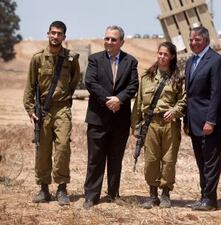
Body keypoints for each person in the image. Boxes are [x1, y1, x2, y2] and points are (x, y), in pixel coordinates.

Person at [23, 21, 80, 206]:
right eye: (53, 33)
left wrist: (65, 99)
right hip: (43, 111)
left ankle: (62, 188)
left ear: (64, 37)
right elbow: (30, 87)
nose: (56, 36)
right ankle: (44, 189)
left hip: (62, 109)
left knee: (63, 147)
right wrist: (31, 110)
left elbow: (74, 82)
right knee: (43, 150)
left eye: (59, 34)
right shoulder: (38, 58)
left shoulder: (71, 59)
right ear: (48, 34)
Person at [83, 25, 138, 209]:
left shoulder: (130, 62)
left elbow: (133, 85)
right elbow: (90, 82)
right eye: (107, 38)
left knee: (116, 159)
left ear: (121, 42)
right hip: (98, 118)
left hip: (120, 120)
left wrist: (120, 99)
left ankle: (113, 194)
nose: (109, 42)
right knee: (95, 159)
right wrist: (109, 100)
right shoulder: (94, 59)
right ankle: (91, 196)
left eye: (113, 39)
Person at [132, 42, 186, 209]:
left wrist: (175, 111)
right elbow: (138, 102)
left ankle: (165, 194)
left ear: (171, 57)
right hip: (150, 124)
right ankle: (152, 195)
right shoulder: (146, 77)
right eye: (160, 53)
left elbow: (184, 100)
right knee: (151, 160)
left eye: (166, 54)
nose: (162, 57)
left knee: (168, 160)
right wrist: (135, 126)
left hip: (170, 124)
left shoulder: (178, 77)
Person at [184, 26, 221, 211]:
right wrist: (186, 121)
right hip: (194, 121)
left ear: (206, 40)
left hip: (209, 122)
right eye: (191, 39)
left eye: (197, 40)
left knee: (210, 161)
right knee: (201, 161)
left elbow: (217, 93)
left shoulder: (216, 61)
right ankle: (204, 195)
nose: (194, 43)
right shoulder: (190, 62)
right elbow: (190, 95)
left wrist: (210, 121)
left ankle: (211, 199)